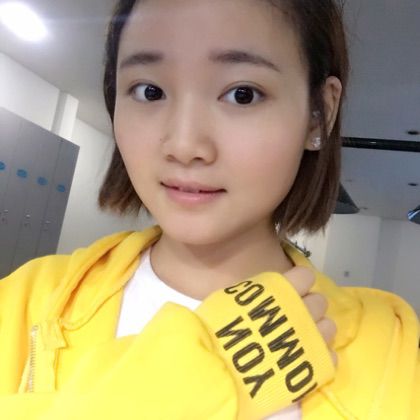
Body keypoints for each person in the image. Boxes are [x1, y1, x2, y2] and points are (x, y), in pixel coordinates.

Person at [0, 0, 418, 418]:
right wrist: (184, 388)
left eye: (242, 95)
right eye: (149, 91)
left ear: (318, 114)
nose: (184, 146)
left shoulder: (393, 352)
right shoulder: (26, 301)